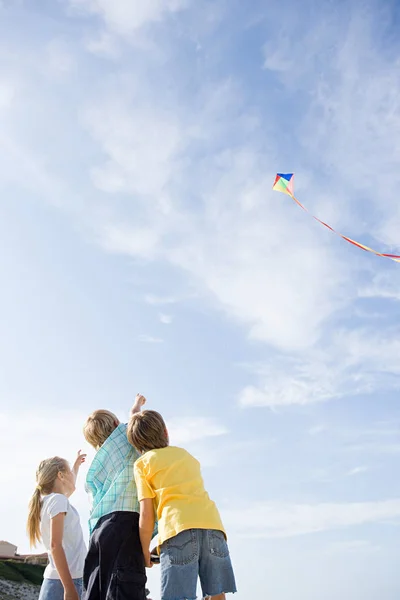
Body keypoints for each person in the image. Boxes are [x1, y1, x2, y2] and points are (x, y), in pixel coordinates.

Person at [127, 410, 237, 600]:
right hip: (213, 526)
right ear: (166, 432)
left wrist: (143, 550)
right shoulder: (186, 456)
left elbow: (146, 515)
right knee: (216, 593)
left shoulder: (142, 464)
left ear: (137, 446)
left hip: (177, 530)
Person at [83, 393, 153, 600]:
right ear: (115, 423)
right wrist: (136, 405)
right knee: (124, 588)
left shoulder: (99, 460)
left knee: (97, 591)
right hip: (125, 524)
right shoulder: (125, 436)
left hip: (99, 529)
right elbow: (134, 420)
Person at [27, 452, 87, 600]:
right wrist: (69, 589)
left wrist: (75, 467)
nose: (73, 476)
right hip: (66, 582)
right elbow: (55, 545)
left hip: (60, 580)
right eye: (69, 473)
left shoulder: (51, 501)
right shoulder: (58, 500)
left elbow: (70, 487)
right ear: (61, 476)